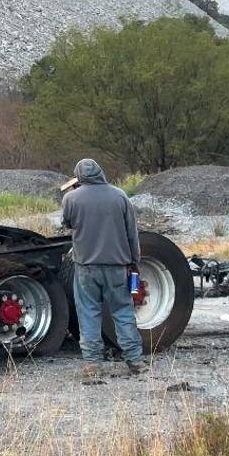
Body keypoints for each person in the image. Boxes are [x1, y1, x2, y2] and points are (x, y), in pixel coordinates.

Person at [61, 158, 146, 377]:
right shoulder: (119, 196)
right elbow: (131, 232)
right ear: (100, 172)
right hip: (117, 266)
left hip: (86, 268)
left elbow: (68, 224)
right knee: (123, 312)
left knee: (89, 314)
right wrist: (134, 260)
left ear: (78, 176)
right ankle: (135, 361)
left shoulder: (70, 198)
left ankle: (93, 364)